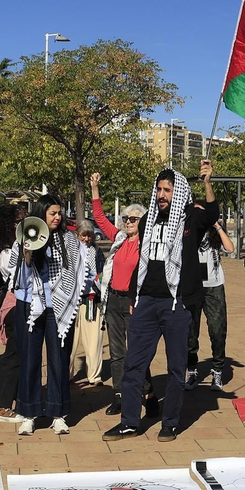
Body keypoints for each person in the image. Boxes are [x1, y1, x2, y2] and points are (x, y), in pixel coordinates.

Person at [105, 160, 220, 441]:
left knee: (175, 366)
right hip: (146, 301)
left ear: (177, 192)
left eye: (167, 190)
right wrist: (134, 295)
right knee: (134, 364)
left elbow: (214, 213)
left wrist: (206, 182)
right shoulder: (147, 220)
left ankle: (170, 422)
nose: (161, 195)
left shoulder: (190, 217)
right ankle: (129, 422)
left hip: (177, 303)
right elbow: (140, 262)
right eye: (158, 189)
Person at [7, 195, 88, 435]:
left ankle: (58, 413)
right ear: (41, 213)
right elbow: (15, 277)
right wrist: (27, 255)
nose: (57, 217)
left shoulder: (68, 240)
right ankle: (29, 412)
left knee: (59, 359)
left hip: (59, 307)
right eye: (52, 212)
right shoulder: (24, 236)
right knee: (30, 360)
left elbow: (78, 270)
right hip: (29, 306)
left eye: (59, 213)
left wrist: (71, 296)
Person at [91, 173, 149, 418]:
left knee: (137, 352)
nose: (128, 222)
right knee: (116, 352)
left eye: (133, 219)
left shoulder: (146, 244)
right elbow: (100, 219)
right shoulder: (120, 239)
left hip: (134, 303)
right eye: (126, 218)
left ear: (143, 222)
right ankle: (119, 395)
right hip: (113, 300)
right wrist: (95, 188)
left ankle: (146, 392)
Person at [185, 180, 234, 390]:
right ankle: (192, 370)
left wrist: (216, 225)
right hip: (193, 286)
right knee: (189, 332)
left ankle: (217, 371)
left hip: (214, 286)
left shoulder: (213, 233)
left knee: (217, 330)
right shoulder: (188, 233)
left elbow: (230, 249)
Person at [0, 204, 26, 421]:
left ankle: (16, 400)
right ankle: (1, 405)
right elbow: (16, 274)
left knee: (19, 354)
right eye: (20, 220)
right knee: (13, 355)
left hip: (22, 304)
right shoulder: (7, 252)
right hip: (14, 305)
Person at [69, 219, 108, 386]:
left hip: (92, 301)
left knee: (94, 341)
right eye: (83, 235)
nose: (86, 239)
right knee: (69, 342)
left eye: (89, 236)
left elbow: (103, 273)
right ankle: (66, 374)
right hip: (71, 303)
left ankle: (94, 375)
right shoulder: (69, 251)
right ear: (77, 235)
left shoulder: (97, 252)